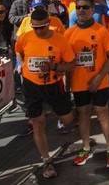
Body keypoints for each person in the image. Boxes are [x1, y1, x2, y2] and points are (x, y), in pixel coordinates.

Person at [15, 9, 75, 179]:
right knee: (37, 122)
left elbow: (71, 64)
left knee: (68, 119)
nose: (39, 31)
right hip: (31, 85)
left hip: (53, 84)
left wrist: (54, 67)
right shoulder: (25, 37)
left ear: (48, 24)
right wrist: (20, 64)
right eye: (36, 28)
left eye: (42, 27)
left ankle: (62, 114)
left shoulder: (60, 40)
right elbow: (18, 50)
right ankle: (46, 160)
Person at [65, 0, 109, 168]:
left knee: (103, 113)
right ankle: (86, 147)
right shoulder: (69, 33)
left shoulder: (101, 31)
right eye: (78, 7)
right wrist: (66, 84)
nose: (81, 10)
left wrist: (99, 77)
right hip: (79, 83)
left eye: (85, 7)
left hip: (100, 82)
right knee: (83, 114)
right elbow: (66, 60)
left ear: (92, 10)